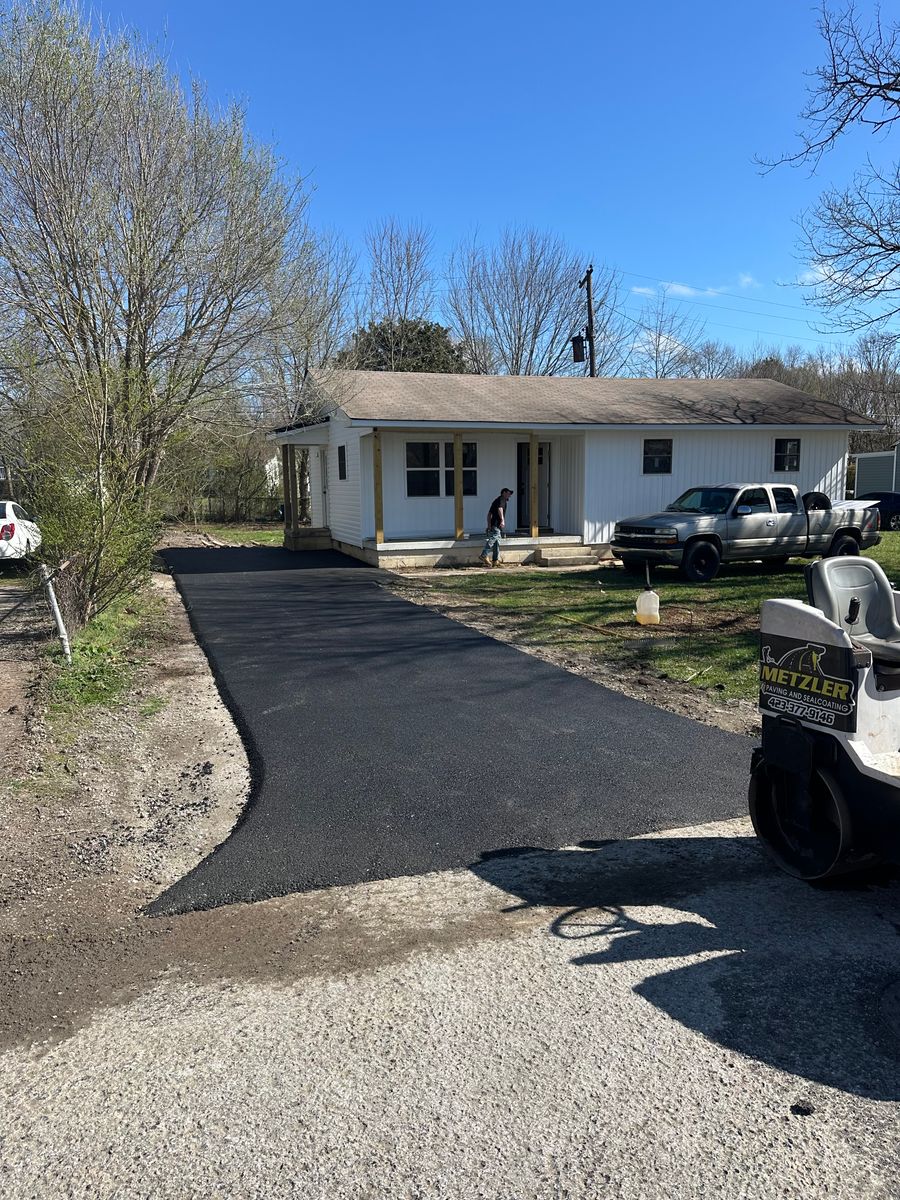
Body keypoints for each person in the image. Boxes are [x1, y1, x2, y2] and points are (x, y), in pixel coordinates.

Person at [478, 487, 513, 567]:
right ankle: (484, 555)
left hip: (494, 525)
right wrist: (502, 520)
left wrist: (489, 525)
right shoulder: (501, 499)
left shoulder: (496, 500)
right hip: (496, 524)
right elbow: (500, 509)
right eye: (508, 493)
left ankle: (495, 560)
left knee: (496, 542)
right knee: (494, 538)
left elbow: (489, 514)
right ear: (504, 493)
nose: (509, 495)